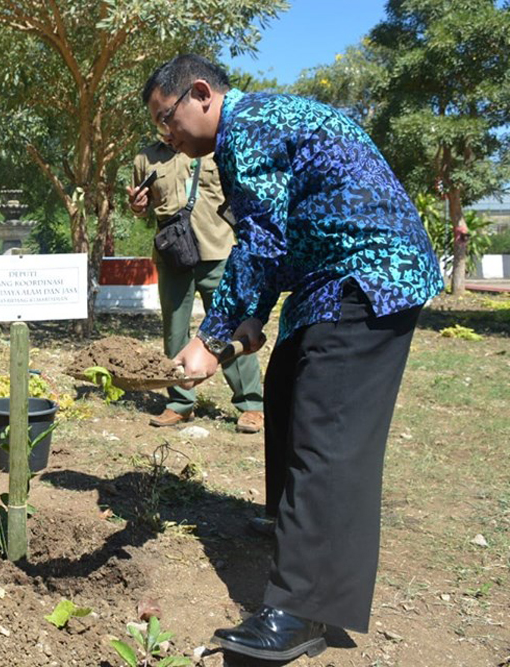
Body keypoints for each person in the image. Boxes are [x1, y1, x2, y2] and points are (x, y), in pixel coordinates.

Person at [142, 55, 443, 661]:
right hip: (325, 280)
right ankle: (296, 527)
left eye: (166, 118)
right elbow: (278, 232)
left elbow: (260, 241)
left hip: (366, 276)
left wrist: (212, 337)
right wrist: (251, 320)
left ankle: (303, 608)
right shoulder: (253, 127)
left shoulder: (249, 128)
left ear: (200, 94)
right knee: (284, 393)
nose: (165, 136)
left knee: (327, 434)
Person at [126, 137, 264, 433]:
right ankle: (180, 403)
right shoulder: (145, 158)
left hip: (217, 251)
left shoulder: (214, 148)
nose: (166, 126)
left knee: (231, 328)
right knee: (174, 331)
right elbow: (141, 210)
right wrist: (137, 206)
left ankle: (251, 404)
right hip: (173, 255)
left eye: (169, 117)